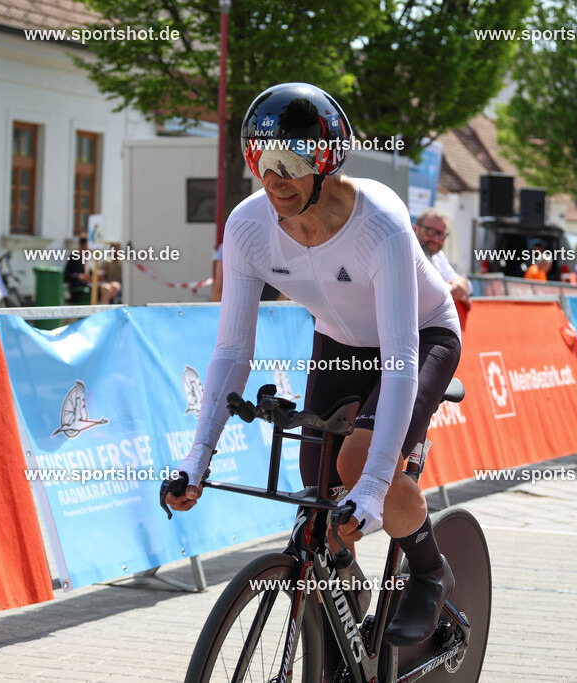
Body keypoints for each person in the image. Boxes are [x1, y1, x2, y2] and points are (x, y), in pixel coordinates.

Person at [165, 82, 462, 647]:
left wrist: (374, 485)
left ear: (325, 161)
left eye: (290, 160)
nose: (272, 177)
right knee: (314, 490)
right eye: (259, 157)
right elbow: (232, 350)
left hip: (420, 338)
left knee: (355, 464)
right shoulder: (248, 226)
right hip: (340, 340)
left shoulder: (381, 221)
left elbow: (399, 360)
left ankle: (428, 570)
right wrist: (196, 459)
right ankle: (344, 601)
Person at [412, 208, 471, 330]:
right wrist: (453, 287)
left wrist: (461, 282)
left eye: (442, 234)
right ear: (416, 229)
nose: (436, 239)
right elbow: (427, 289)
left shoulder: (438, 256)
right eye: (431, 232)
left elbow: (464, 286)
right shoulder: (408, 253)